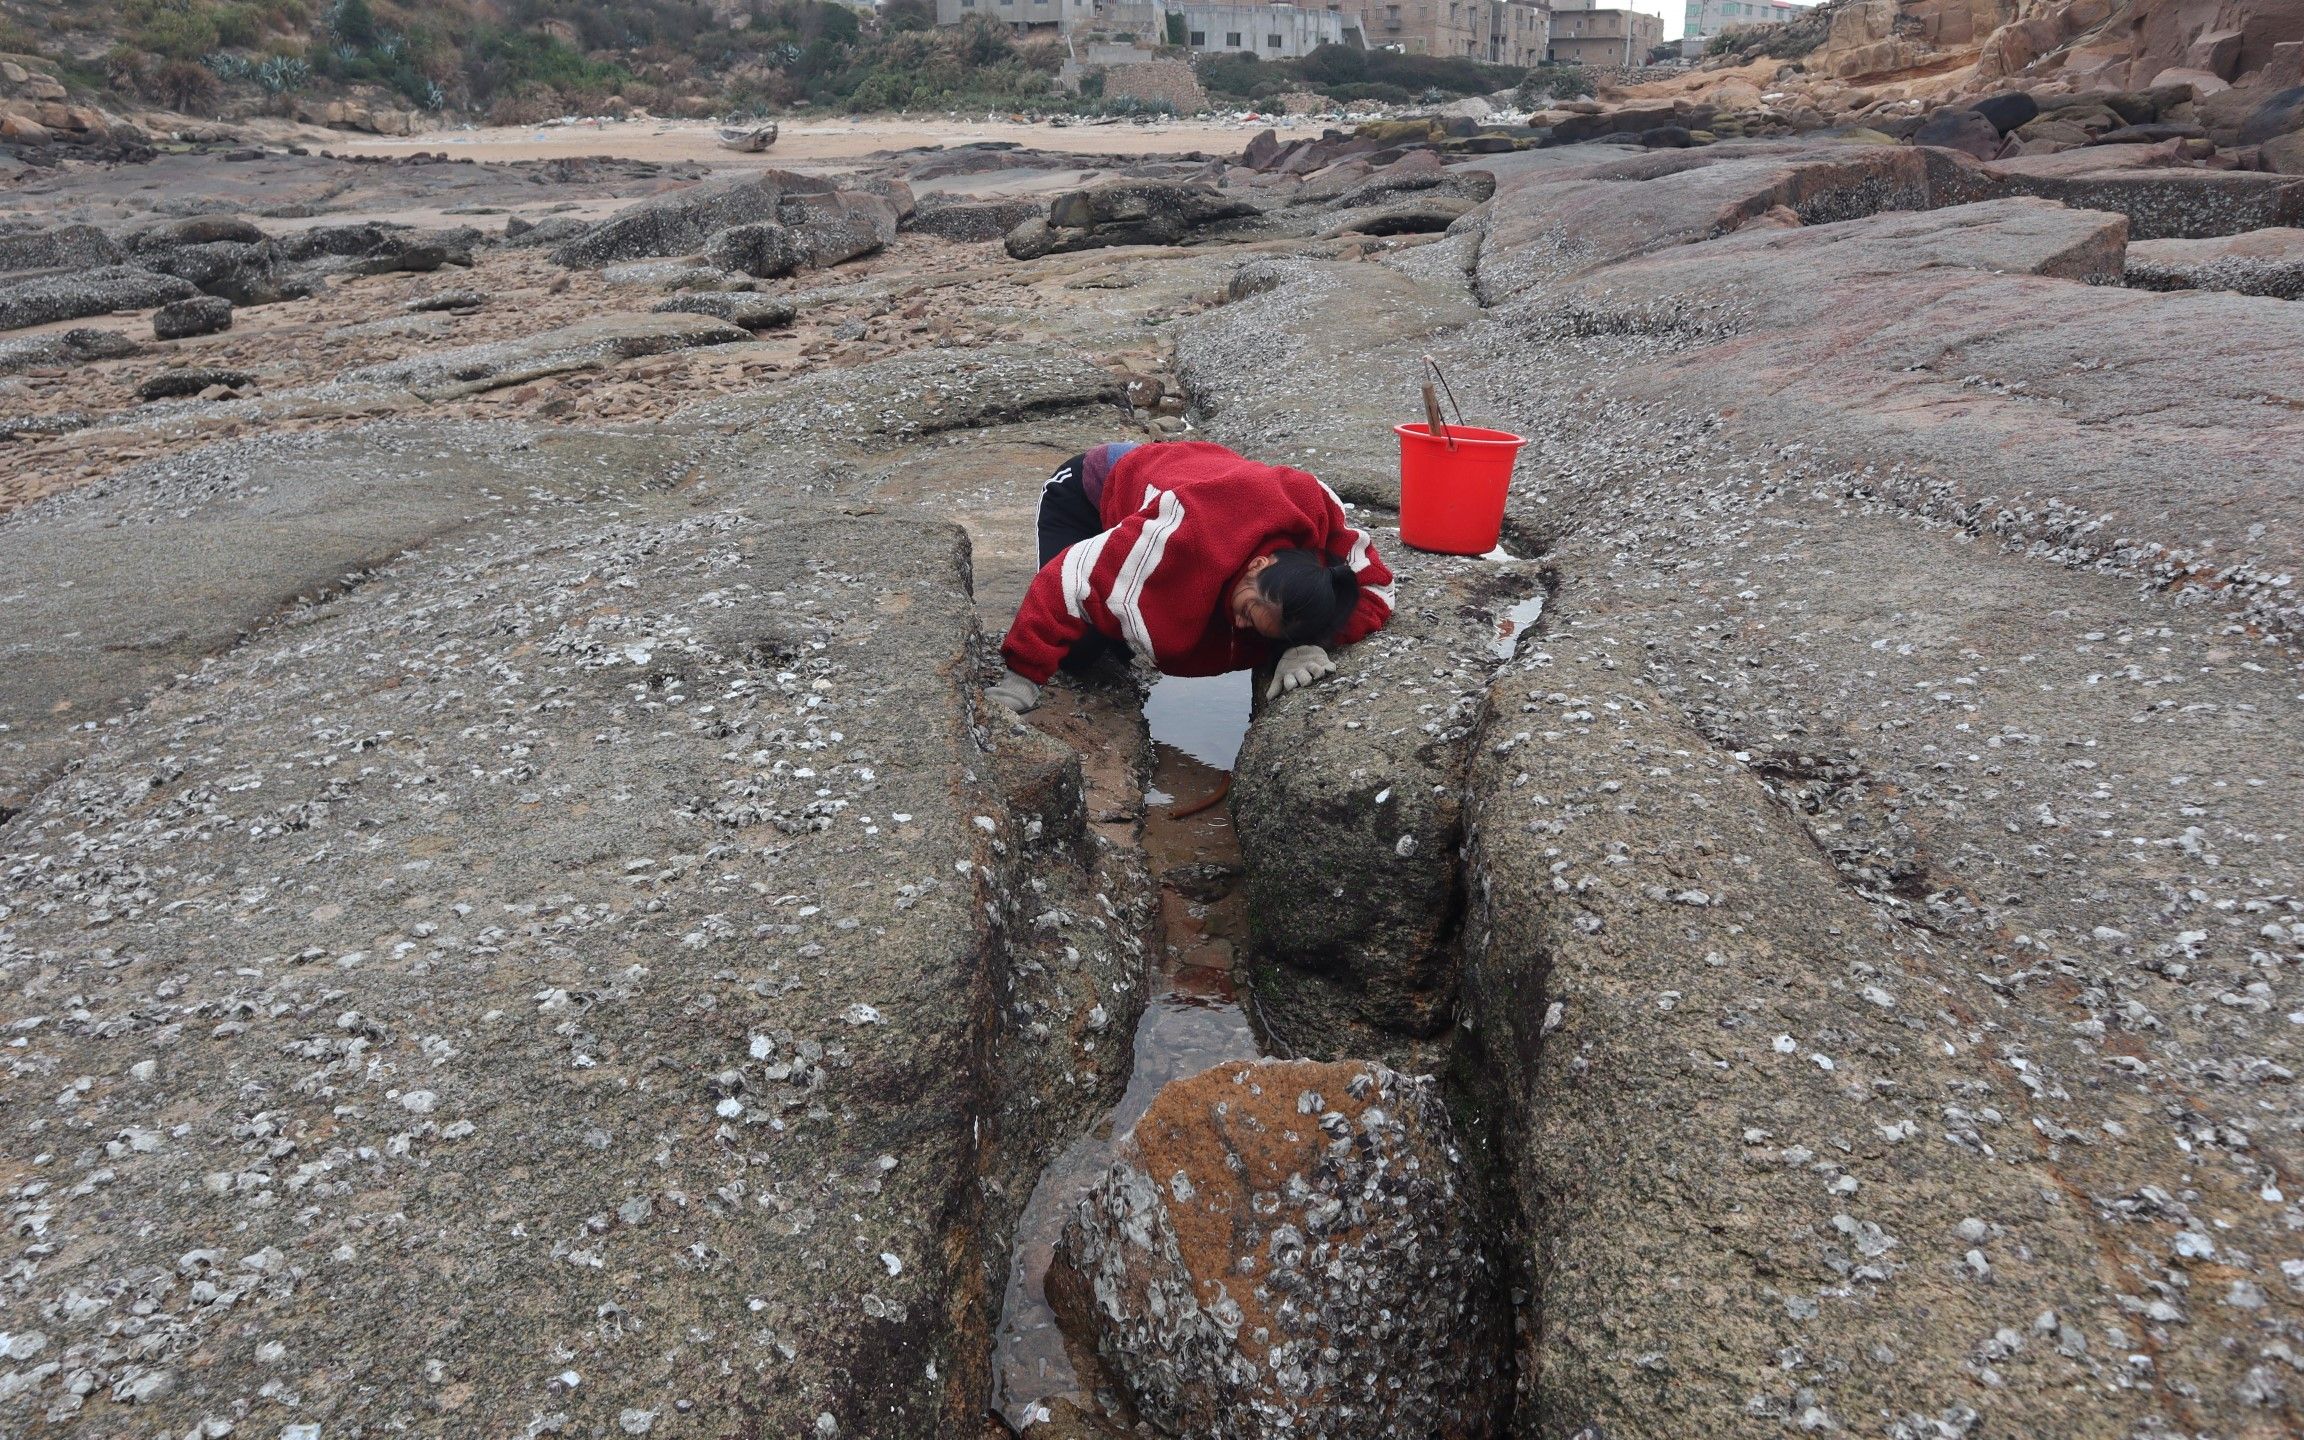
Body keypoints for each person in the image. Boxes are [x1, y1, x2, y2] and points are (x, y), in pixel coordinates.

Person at [987, 440, 1395, 714]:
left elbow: (1375, 586)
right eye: (1249, 611)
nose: (1239, 624)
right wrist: (1021, 677)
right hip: (1091, 491)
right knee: (1080, 653)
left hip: (1190, 471)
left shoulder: (1316, 516)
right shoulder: (1180, 535)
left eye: (1254, 625)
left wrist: (1307, 644)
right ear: (1259, 565)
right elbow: (1068, 579)